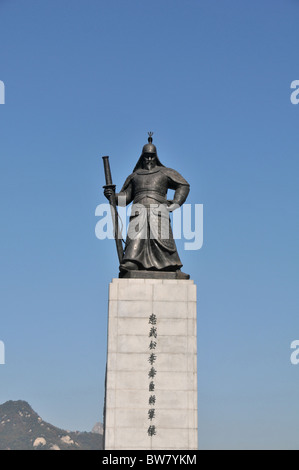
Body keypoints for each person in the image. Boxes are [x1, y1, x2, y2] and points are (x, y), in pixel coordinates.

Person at [104, 133, 190, 278]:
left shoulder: (164, 172)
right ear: (142, 157)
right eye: (146, 156)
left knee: (162, 241)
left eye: (151, 156)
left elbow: (183, 185)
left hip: (158, 211)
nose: (149, 159)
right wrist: (112, 196)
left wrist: (176, 203)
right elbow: (126, 198)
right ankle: (132, 262)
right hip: (139, 211)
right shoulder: (135, 176)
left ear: (156, 157)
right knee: (136, 238)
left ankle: (170, 266)